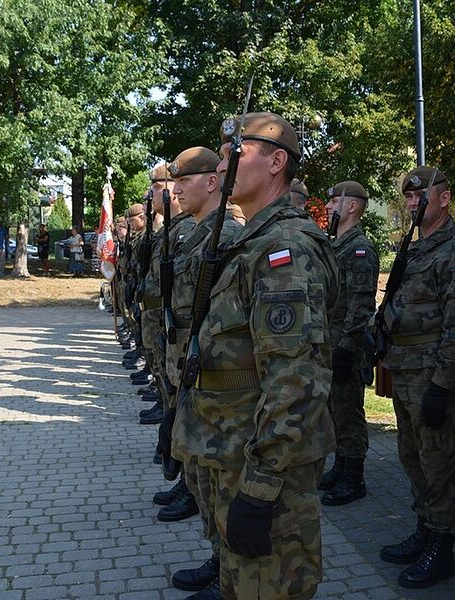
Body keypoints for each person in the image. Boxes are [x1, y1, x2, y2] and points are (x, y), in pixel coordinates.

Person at [171, 112, 339, 600]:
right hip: (233, 449)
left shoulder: (283, 249)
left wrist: (261, 487)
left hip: (263, 466)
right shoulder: (252, 243)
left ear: (276, 162)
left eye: (234, 155)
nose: (221, 168)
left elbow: (297, 379)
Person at [378, 166, 455, 588]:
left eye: (421, 196)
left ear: (444, 198)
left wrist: (443, 385)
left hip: (431, 373)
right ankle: (425, 527)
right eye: (408, 197)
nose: (412, 203)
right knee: (412, 454)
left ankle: (442, 544)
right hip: (404, 367)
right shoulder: (415, 248)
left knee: (438, 460)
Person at [164, 146, 245, 599]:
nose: (175, 190)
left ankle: (226, 571)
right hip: (190, 366)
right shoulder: (195, 233)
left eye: (185, 180)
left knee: (216, 481)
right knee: (199, 475)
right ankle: (218, 560)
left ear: (212, 182)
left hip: (217, 377)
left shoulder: (228, 234)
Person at [318, 181, 380, 506]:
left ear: (352, 207)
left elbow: (361, 305)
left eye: (333, 202)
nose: (328, 207)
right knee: (334, 410)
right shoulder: (336, 244)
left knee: (349, 413)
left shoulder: (359, 249)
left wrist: (346, 347)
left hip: (345, 347)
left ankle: (354, 478)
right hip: (330, 342)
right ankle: (341, 466)